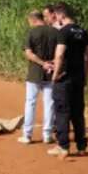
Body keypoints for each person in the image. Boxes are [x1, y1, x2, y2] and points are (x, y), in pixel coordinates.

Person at [49, 2, 88, 159]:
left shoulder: (63, 32)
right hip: (79, 78)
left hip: (64, 79)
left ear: (61, 15)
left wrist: (55, 75)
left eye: (56, 15)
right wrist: (86, 74)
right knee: (77, 112)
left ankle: (63, 146)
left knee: (62, 112)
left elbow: (60, 55)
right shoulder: (83, 31)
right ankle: (81, 146)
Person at [18, 10, 59, 144]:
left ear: (33, 20)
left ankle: (27, 135)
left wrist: (42, 63)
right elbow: (60, 53)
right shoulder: (55, 32)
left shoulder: (32, 33)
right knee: (49, 103)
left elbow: (29, 53)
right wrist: (50, 63)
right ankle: (47, 135)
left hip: (35, 73)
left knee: (31, 102)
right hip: (51, 72)